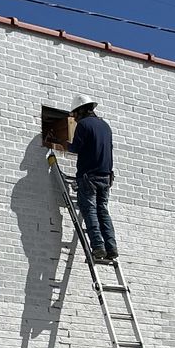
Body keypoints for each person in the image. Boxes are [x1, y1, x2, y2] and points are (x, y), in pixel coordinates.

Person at [67, 94, 118, 262]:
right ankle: (111, 247)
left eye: (75, 114)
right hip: (106, 177)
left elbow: (75, 148)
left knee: (90, 211)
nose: (74, 118)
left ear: (81, 111)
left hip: (89, 177)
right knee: (103, 210)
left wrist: (61, 141)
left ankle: (98, 247)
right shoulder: (105, 126)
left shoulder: (83, 125)